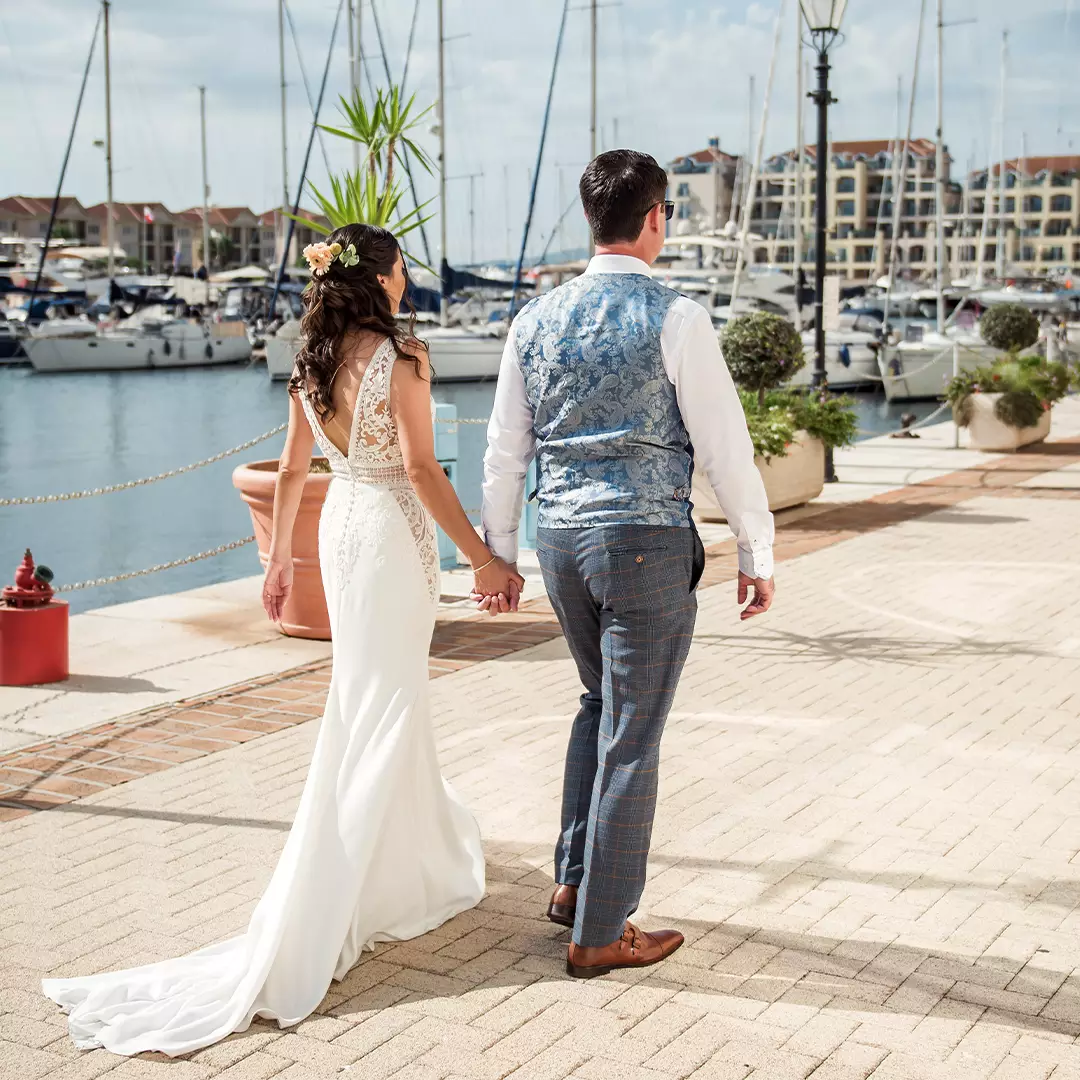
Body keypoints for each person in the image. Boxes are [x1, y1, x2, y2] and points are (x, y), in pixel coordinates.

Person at [42, 223, 522, 1056]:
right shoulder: (403, 357)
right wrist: (484, 558)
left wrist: (274, 562)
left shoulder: (310, 361)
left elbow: (295, 468)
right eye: (403, 268)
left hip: (340, 531)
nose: (408, 280)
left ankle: (399, 865)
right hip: (387, 533)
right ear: (379, 277)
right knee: (389, 700)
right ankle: (340, 892)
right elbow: (420, 470)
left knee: (367, 700)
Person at [479, 150, 776, 978]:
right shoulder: (675, 317)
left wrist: (500, 554)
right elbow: (725, 448)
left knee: (596, 704)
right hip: (643, 539)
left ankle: (575, 885)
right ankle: (601, 932)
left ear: (591, 219)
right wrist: (756, 549)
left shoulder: (532, 320)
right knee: (634, 734)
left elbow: (507, 451)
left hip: (563, 543)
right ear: (655, 218)